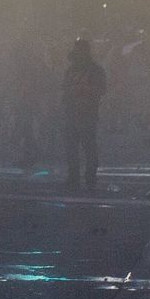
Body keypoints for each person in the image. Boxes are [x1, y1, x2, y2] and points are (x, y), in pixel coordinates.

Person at [61, 38, 107, 191]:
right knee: (71, 147)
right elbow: (64, 89)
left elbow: (102, 90)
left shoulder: (95, 70)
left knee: (88, 146)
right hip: (71, 112)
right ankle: (73, 175)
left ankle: (90, 176)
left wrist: (86, 91)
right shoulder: (71, 70)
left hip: (88, 113)